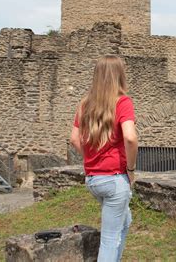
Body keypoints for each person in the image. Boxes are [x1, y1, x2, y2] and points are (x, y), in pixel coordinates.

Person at [70, 55, 138, 262]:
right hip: (114, 180)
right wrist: (131, 169)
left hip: (93, 180)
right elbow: (130, 137)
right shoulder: (122, 102)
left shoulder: (84, 104)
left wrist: (92, 159)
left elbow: (74, 139)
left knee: (125, 221)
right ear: (120, 75)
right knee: (110, 240)